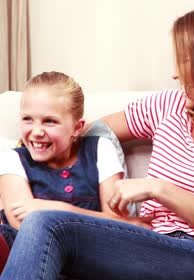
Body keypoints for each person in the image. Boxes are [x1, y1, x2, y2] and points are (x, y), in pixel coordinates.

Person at [0, 2, 194, 280]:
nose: (175, 74)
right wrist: (47, 160)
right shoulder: (168, 104)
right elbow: (93, 131)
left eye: (184, 61)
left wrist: (158, 189)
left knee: (45, 223)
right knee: (22, 229)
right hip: (145, 241)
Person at [0, 71, 143, 271]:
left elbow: (117, 225)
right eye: (27, 119)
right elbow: (23, 228)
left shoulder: (100, 149)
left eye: (50, 121)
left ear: (77, 128)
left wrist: (57, 209)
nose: (37, 131)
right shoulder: (13, 159)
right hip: (25, 255)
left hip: (88, 254)